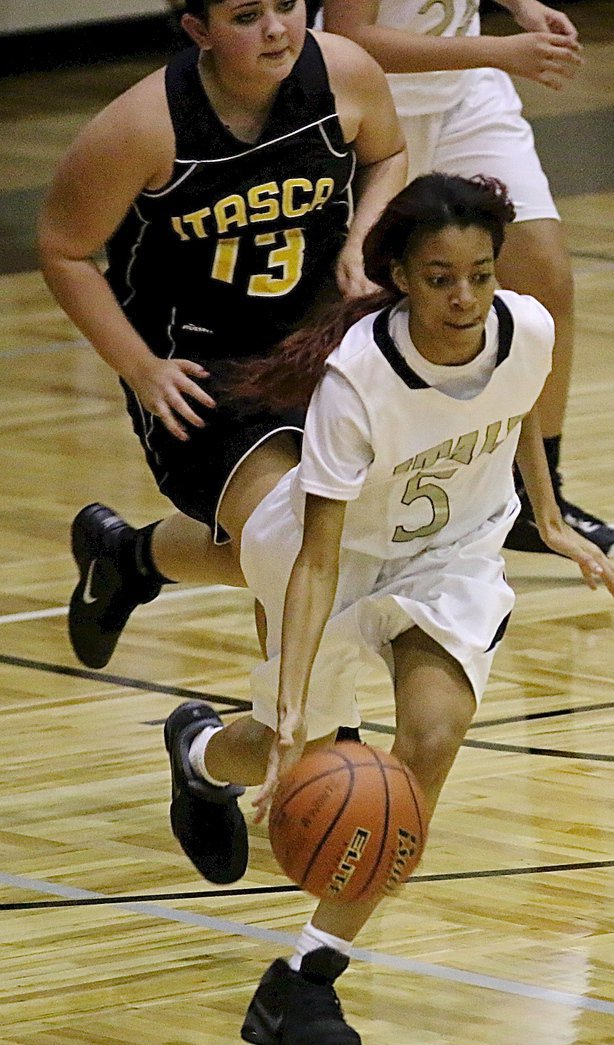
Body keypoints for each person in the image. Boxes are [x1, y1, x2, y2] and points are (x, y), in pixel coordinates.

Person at [161, 172, 614, 1045]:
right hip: (328, 560)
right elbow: (318, 557)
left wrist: (551, 516)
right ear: (403, 279)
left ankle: (307, 974)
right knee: (292, 746)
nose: (465, 297)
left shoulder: (525, 326)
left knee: (430, 743)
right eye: (441, 276)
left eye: (482, 274)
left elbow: (520, 407)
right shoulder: (358, 382)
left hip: (449, 554)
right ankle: (195, 753)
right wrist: (294, 704)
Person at [38, 0, 407, 670]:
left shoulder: (344, 71)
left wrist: (363, 239)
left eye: (286, 5)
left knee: (327, 545)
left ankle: (130, 558)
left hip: (320, 348)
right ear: (198, 32)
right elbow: (62, 248)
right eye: (245, 15)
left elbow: (389, 155)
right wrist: (139, 367)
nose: (275, 27)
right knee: (292, 543)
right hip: (203, 369)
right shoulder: (143, 124)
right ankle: (315, 744)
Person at [319, 0, 614, 559]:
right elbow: (353, 37)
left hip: (467, 95)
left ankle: (538, 502)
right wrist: (499, 49)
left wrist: (523, 7)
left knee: (544, 278)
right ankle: (348, 501)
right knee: (361, 302)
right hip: (373, 103)